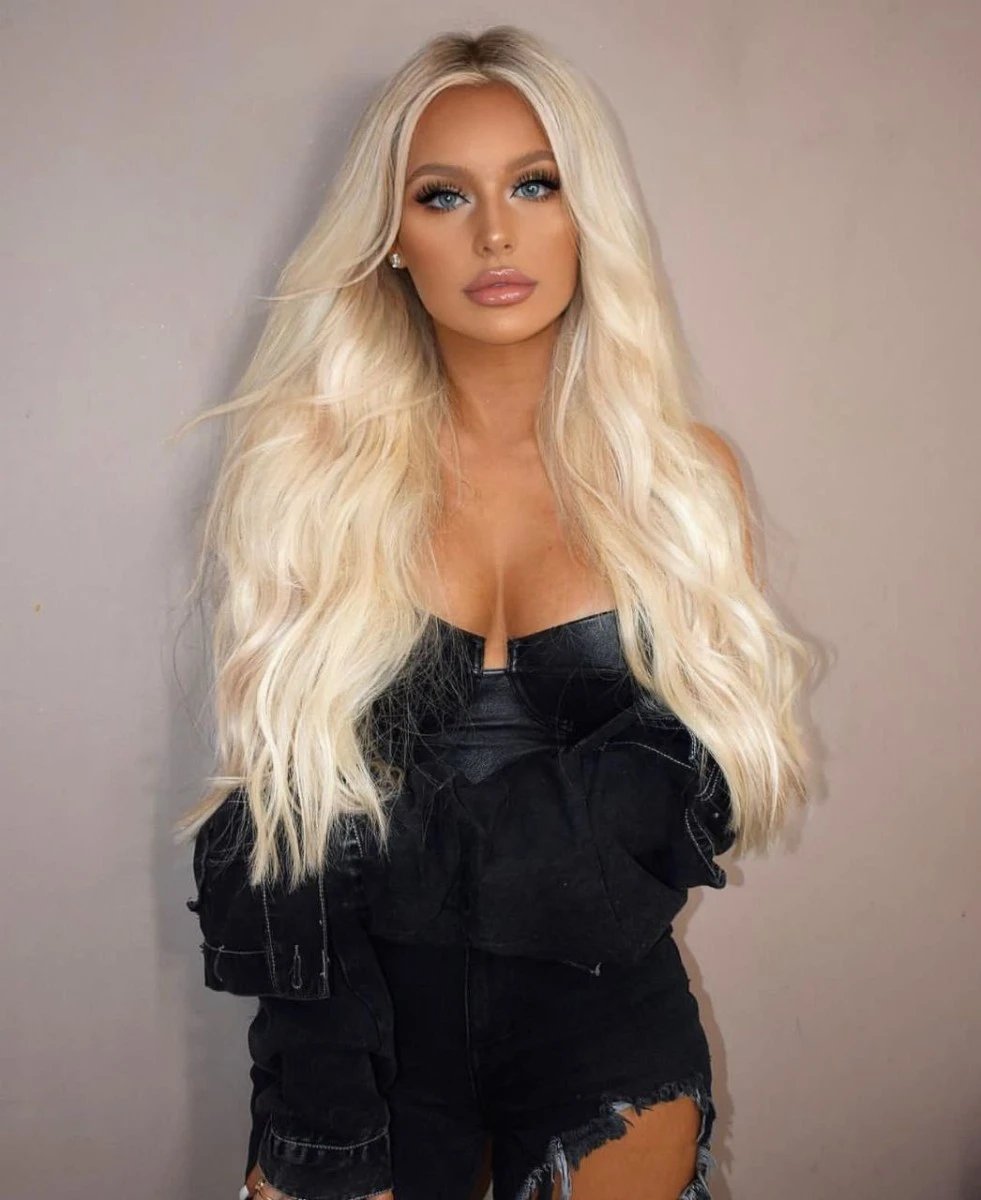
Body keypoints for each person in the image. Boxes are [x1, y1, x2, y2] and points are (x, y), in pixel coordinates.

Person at [173, 24, 814, 1200]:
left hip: (607, 1047)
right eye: (443, 196)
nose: (496, 235)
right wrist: (324, 1122)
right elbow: (273, 828)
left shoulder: (684, 482)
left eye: (534, 184)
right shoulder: (304, 478)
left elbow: (703, 790)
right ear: (391, 237)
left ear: (587, 214)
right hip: (356, 1052)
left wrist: (402, 846)